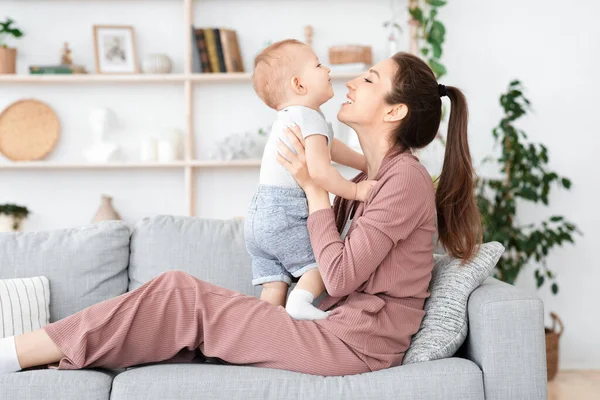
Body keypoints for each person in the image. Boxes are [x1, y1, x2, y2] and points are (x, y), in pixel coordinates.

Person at [0, 52, 481, 377]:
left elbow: (337, 275)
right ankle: (48, 355)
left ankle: (17, 353)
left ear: (394, 113)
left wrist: (314, 191)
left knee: (179, 294)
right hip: (333, 329)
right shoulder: (364, 180)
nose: (351, 81)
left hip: (354, 346)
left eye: (370, 80)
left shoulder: (405, 181)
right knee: (177, 305)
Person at [247, 39, 377, 321]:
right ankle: (300, 303)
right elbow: (319, 171)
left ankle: (263, 330)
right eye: (318, 65)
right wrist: (355, 190)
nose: (327, 69)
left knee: (274, 283)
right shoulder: (310, 118)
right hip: (285, 214)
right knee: (320, 265)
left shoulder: (291, 117)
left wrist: (365, 163)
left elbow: (330, 148)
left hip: (258, 217)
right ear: (299, 84)